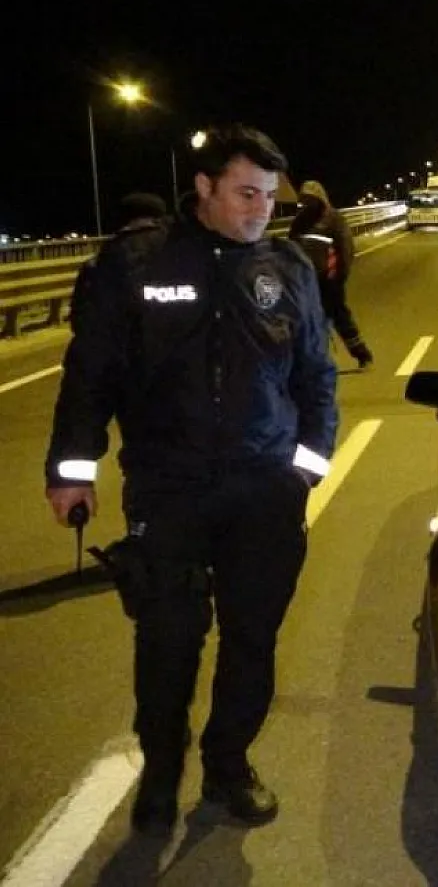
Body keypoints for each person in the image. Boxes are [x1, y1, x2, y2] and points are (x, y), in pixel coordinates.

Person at [44, 125, 339, 836]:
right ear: (203, 188)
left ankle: (228, 765)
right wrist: (70, 470)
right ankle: (162, 769)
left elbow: (317, 379)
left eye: (269, 196)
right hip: (168, 486)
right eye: (245, 193)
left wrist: (305, 469)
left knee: (252, 637)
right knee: (169, 637)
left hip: (263, 489)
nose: (260, 209)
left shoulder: (289, 268)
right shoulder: (137, 263)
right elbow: (91, 375)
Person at [291, 180, 374, 369]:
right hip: (305, 281)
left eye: (311, 199)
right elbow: (291, 248)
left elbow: (345, 249)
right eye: (305, 200)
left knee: (340, 318)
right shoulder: (300, 221)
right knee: (306, 320)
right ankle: (310, 360)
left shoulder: (334, 220)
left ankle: (362, 354)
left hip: (329, 281)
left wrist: (339, 277)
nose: (308, 204)